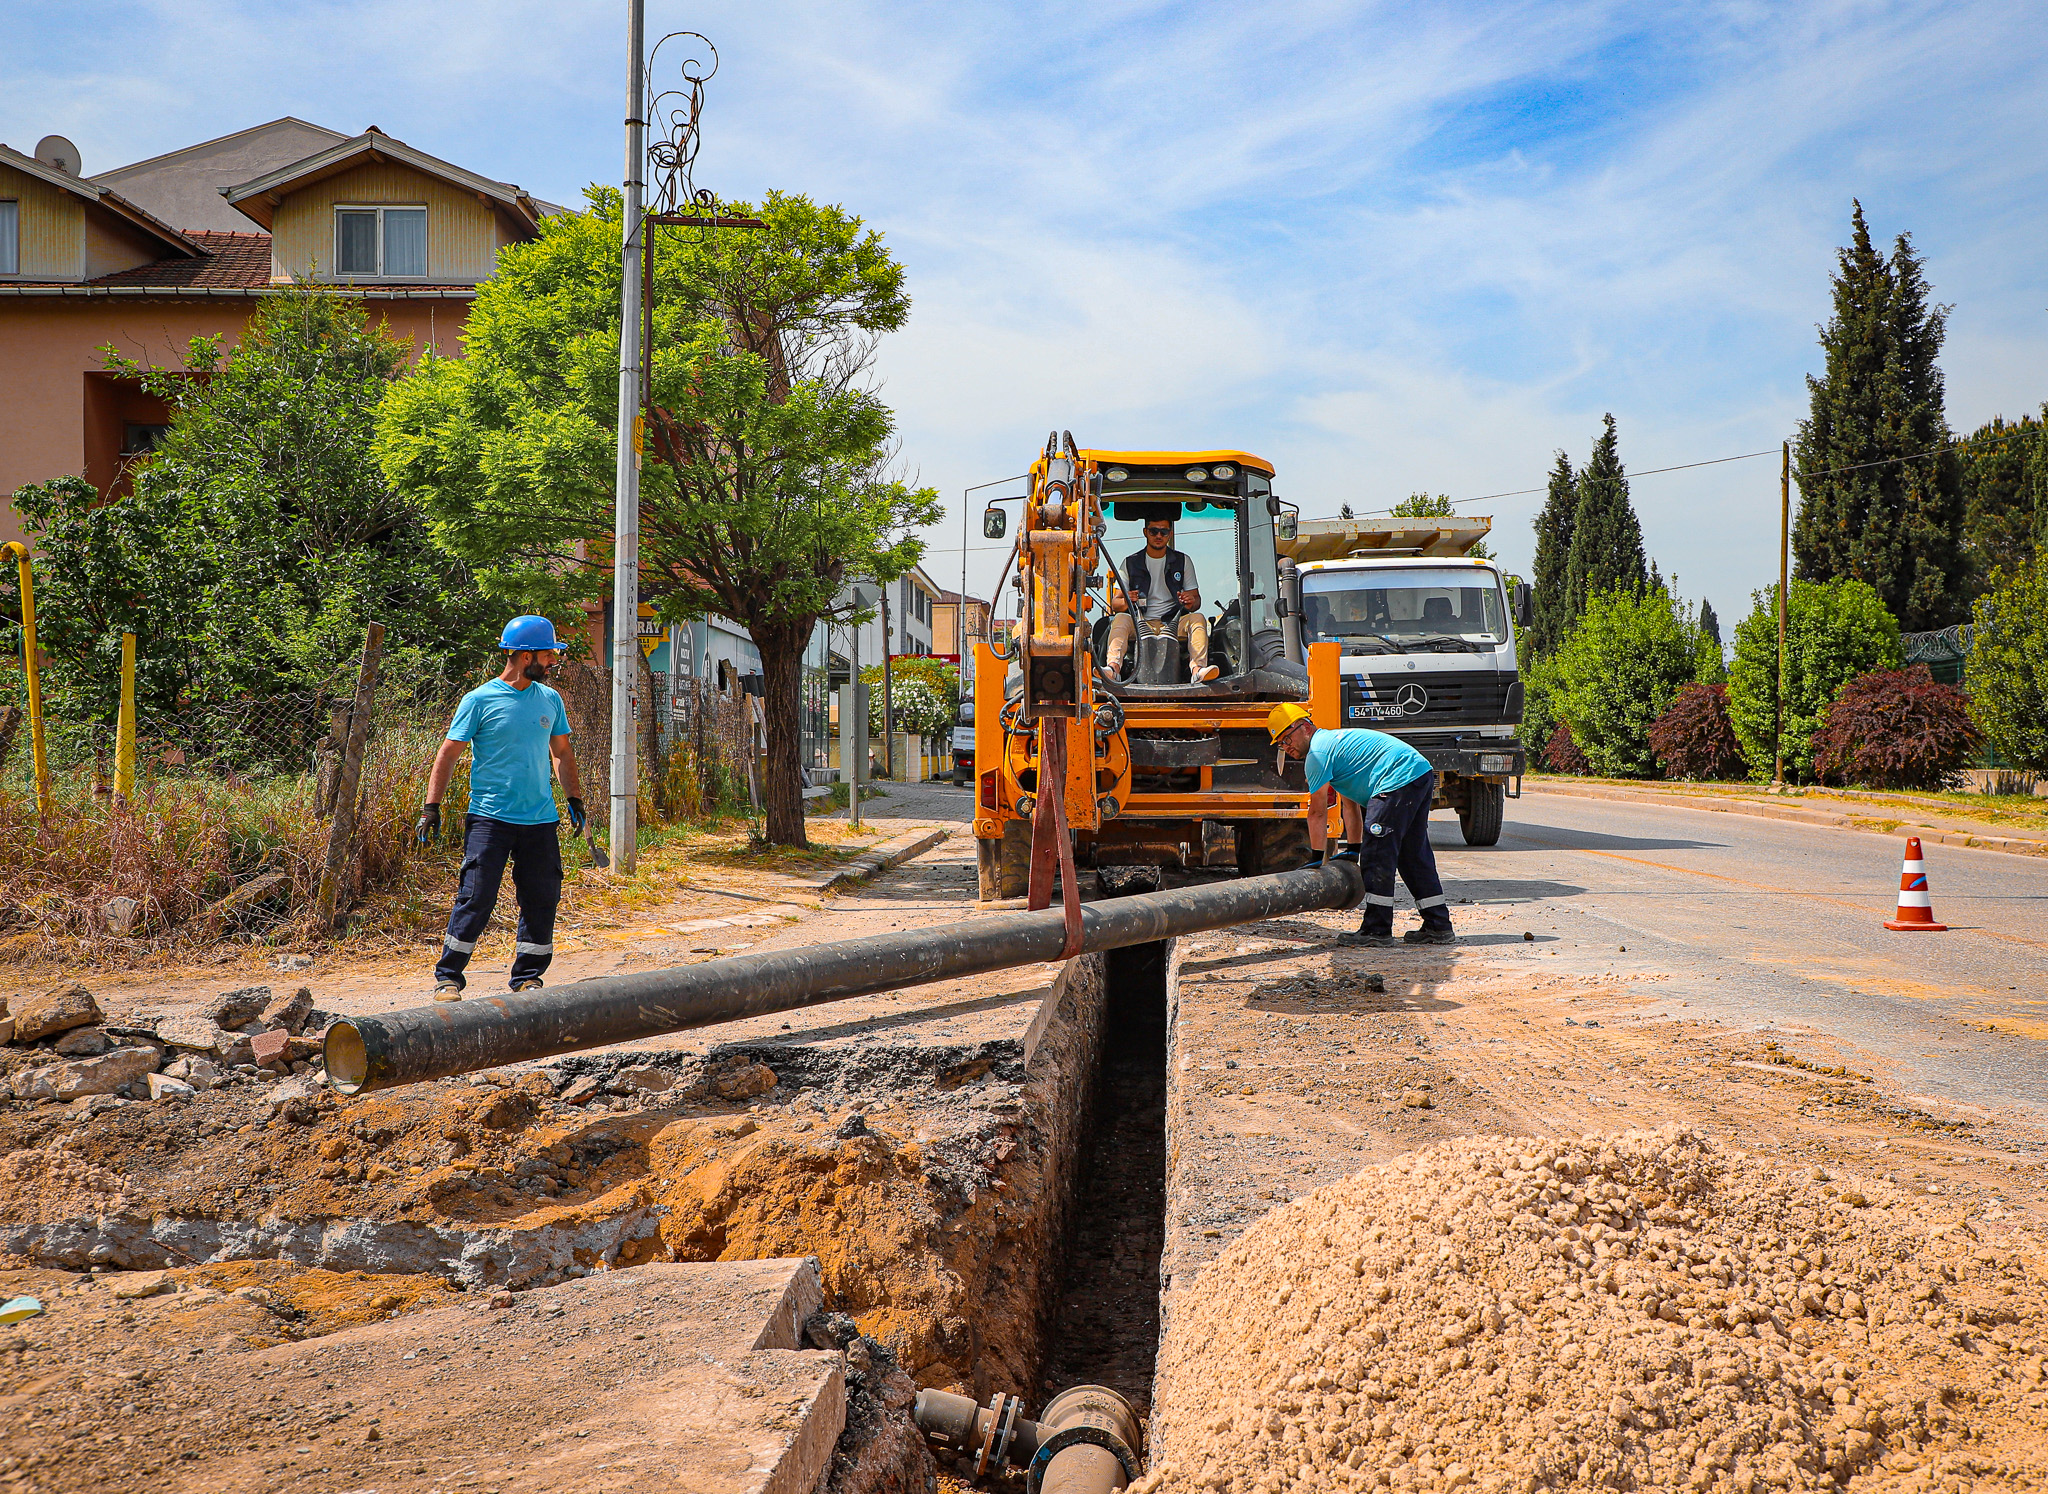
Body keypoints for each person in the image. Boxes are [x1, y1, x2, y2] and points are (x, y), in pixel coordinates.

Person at [415, 616, 587, 1000]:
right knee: (476, 897)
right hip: (490, 819)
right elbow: (448, 754)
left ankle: (528, 978)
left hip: (540, 820)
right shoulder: (479, 700)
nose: (553, 661)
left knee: (542, 898)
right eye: (548, 654)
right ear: (526, 656)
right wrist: (431, 807)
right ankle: (448, 977)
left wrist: (574, 798)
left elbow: (561, 752)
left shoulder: (550, 699)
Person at [1267, 702, 1454, 946]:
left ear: (1305, 727)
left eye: (1287, 739)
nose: (1286, 747)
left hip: (1396, 780)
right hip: (1418, 774)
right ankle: (1438, 925)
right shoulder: (1335, 747)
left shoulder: (1318, 755)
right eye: (1280, 744)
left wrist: (1316, 858)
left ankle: (1377, 930)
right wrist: (1353, 849)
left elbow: (1317, 813)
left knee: (1376, 855)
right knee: (1413, 855)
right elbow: (1350, 806)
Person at [1104, 516, 1220, 683]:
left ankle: (1198, 670)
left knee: (1197, 618)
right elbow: (1115, 603)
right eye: (1154, 531)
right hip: (1140, 623)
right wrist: (1127, 600)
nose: (1159, 536)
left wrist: (1190, 601)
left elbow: (1196, 601)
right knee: (1121, 618)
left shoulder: (1183, 561)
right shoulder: (1130, 563)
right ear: (1145, 532)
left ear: (1169, 534)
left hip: (1173, 622)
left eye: (1163, 532)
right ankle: (1113, 669)